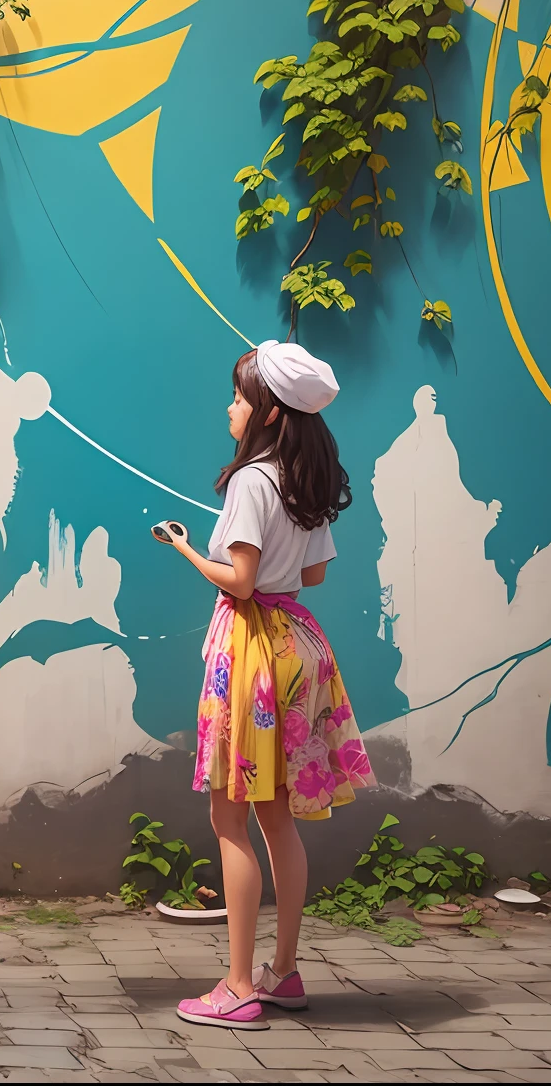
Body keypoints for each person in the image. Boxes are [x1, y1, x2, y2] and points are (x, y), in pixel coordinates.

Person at [154, 340, 376, 1029]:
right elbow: (311, 577)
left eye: (242, 397)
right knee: (277, 818)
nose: (232, 407)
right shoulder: (305, 478)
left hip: (252, 652)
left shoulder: (252, 479)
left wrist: (188, 547)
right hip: (297, 645)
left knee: (231, 819)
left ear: (271, 410)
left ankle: (237, 985)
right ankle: (282, 972)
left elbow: (241, 581)